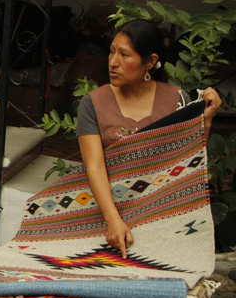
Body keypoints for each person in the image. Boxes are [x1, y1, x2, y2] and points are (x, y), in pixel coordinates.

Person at [77, 19, 221, 259]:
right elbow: (95, 166)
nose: (113, 62)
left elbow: (188, 160)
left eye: (125, 55)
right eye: (112, 52)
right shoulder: (94, 103)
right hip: (107, 213)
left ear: (150, 61)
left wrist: (206, 119)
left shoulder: (176, 99)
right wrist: (113, 220)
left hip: (161, 213)